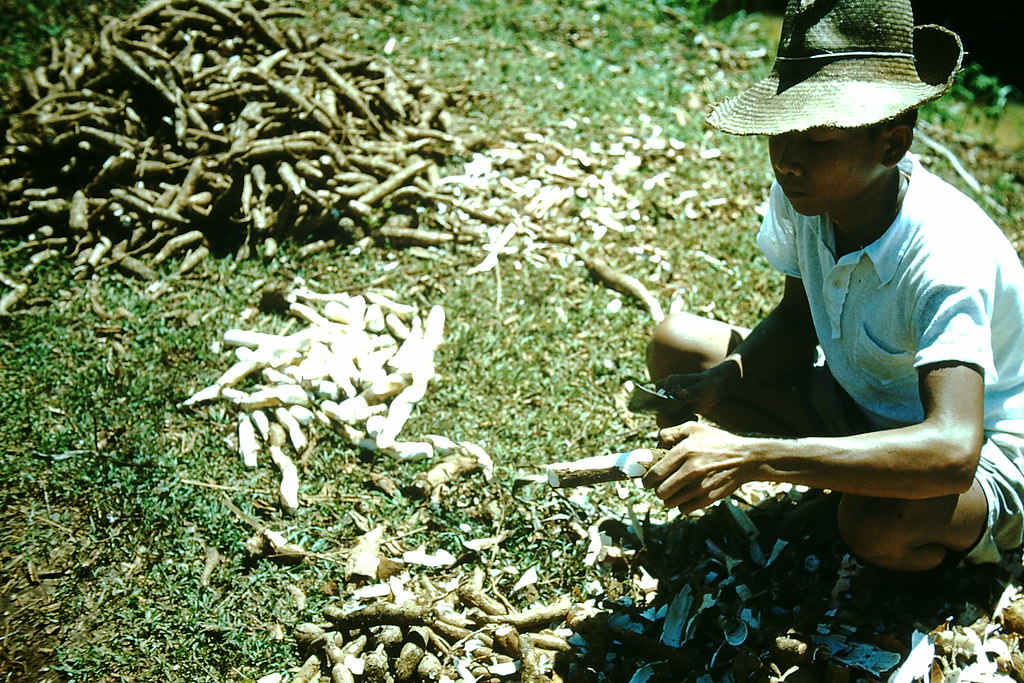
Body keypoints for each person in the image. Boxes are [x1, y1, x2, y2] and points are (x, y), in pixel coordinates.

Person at [640, 0, 1024, 572]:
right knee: (681, 347)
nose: (787, 161)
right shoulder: (810, 195)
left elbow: (952, 450)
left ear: (891, 146)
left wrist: (755, 457)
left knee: (876, 521)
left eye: (819, 140)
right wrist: (723, 381)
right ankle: (850, 475)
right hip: (859, 408)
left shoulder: (945, 255)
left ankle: (956, 553)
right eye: (779, 134)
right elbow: (799, 322)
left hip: (983, 459)